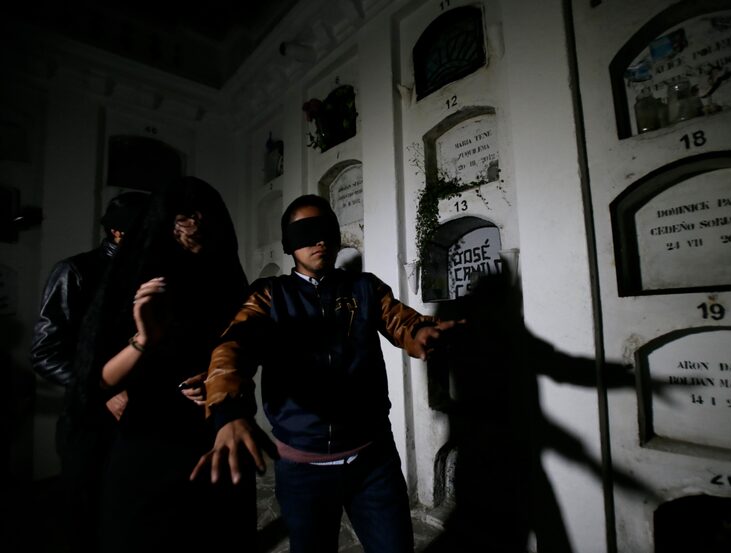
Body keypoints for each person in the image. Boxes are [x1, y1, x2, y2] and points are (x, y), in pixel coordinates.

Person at [192, 194, 460, 553]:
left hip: (372, 462)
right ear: (289, 244)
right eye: (306, 233)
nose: (318, 240)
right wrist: (227, 411)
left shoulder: (365, 288)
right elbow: (233, 348)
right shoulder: (269, 296)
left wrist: (421, 334)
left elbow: (403, 322)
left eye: (325, 232)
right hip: (303, 469)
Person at [68, 176, 256, 553]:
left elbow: (245, 351)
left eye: (204, 224)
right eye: (185, 223)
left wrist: (218, 378)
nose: (195, 233)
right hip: (148, 441)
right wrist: (143, 341)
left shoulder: (227, 281)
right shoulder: (135, 281)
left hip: (213, 435)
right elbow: (98, 378)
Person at [30, 190, 147, 553]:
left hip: (142, 421)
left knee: (132, 521)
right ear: (118, 233)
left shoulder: (149, 276)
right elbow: (46, 352)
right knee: (84, 521)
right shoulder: (74, 272)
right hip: (88, 423)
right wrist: (103, 391)